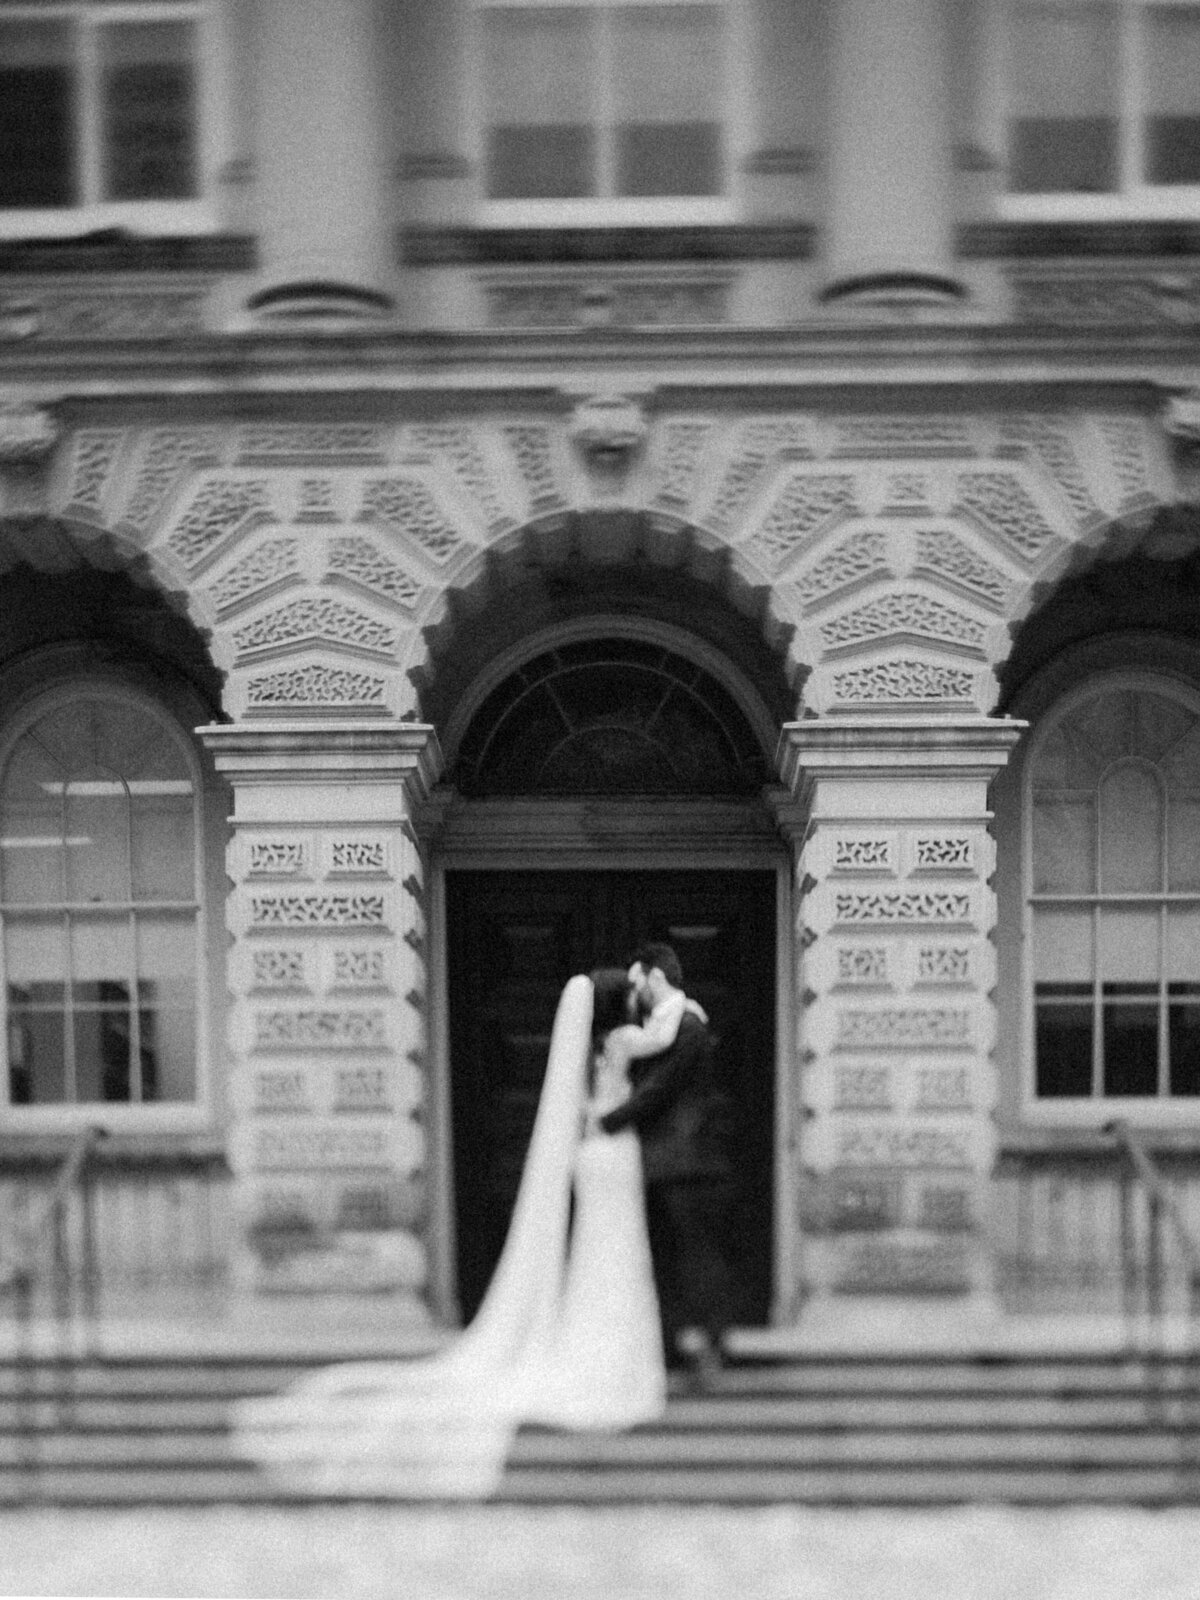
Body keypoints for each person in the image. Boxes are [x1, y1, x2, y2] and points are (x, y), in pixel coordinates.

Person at [232, 967, 687, 1495]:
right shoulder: (624, 1042)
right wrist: (667, 995)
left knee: (600, 1257)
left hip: (594, 1156)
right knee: (615, 1257)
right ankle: (615, 1359)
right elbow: (670, 1032)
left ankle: (596, 1348)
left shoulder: (587, 1055)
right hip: (612, 1157)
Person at [595, 943, 735, 1387]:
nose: (634, 994)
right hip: (662, 1163)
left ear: (656, 977)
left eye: (637, 983)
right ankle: (673, 1351)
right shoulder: (656, 1027)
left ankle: (710, 1348)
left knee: (696, 1257)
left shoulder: (688, 1024)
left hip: (688, 1163)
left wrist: (608, 1120)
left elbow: (661, 1088)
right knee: (668, 1259)